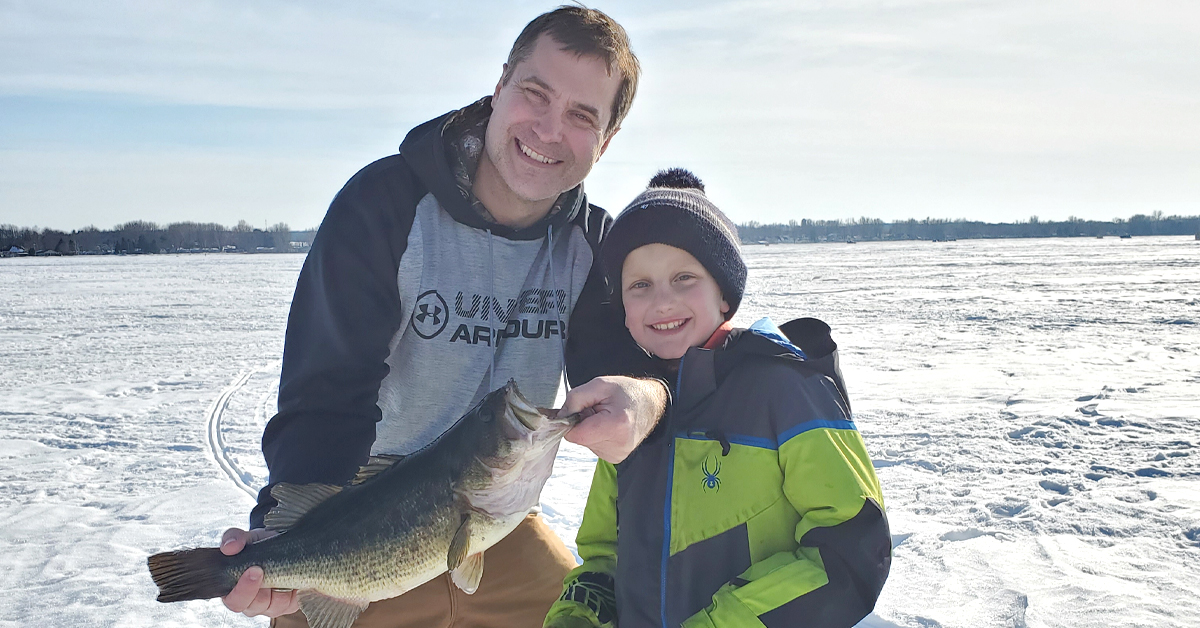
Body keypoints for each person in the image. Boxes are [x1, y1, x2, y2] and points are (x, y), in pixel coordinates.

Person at [218, 7, 670, 627]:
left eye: (581, 115)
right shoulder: (384, 206)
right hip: (363, 518)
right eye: (534, 93)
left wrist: (642, 400)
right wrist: (285, 537)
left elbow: (633, 373)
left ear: (606, 140)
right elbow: (325, 396)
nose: (547, 129)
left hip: (495, 521)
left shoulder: (594, 247)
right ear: (500, 83)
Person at [543, 169, 891, 628]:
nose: (662, 301)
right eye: (640, 285)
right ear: (623, 309)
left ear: (723, 295)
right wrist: (576, 617)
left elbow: (852, 554)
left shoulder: (786, 389)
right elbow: (603, 554)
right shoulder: (628, 411)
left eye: (684, 277)